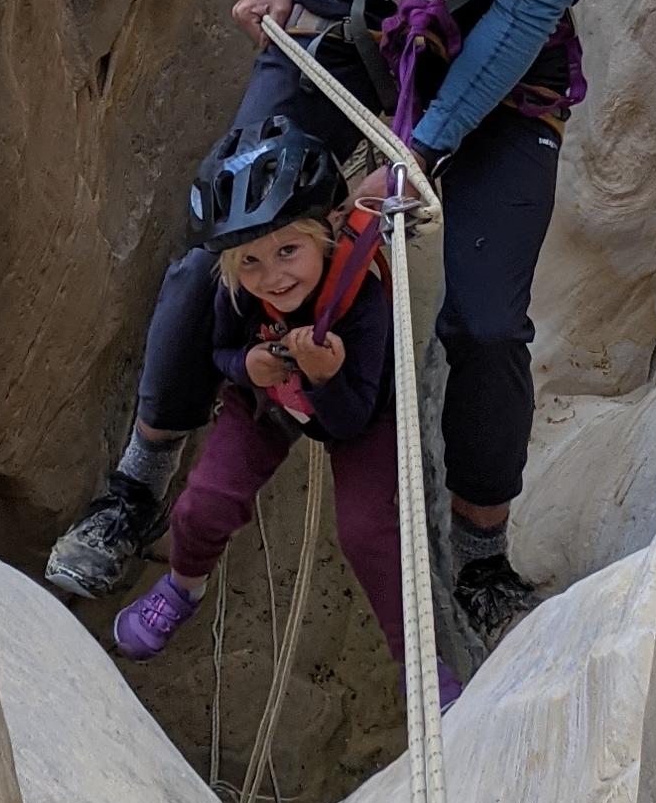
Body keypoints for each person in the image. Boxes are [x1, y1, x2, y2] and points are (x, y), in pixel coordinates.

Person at [47, 0, 620, 648]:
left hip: (496, 34)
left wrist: (429, 142)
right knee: (217, 235)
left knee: (485, 321)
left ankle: (481, 553)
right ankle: (138, 483)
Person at [108, 126, 458, 707]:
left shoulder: (362, 304)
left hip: (359, 409)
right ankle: (183, 586)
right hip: (267, 400)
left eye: (288, 251)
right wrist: (247, 366)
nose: (272, 277)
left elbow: (348, 421)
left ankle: (419, 661)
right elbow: (220, 351)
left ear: (326, 234)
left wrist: (322, 376)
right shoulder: (239, 292)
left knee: (368, 532)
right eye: (250, 260)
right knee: (202, 503)